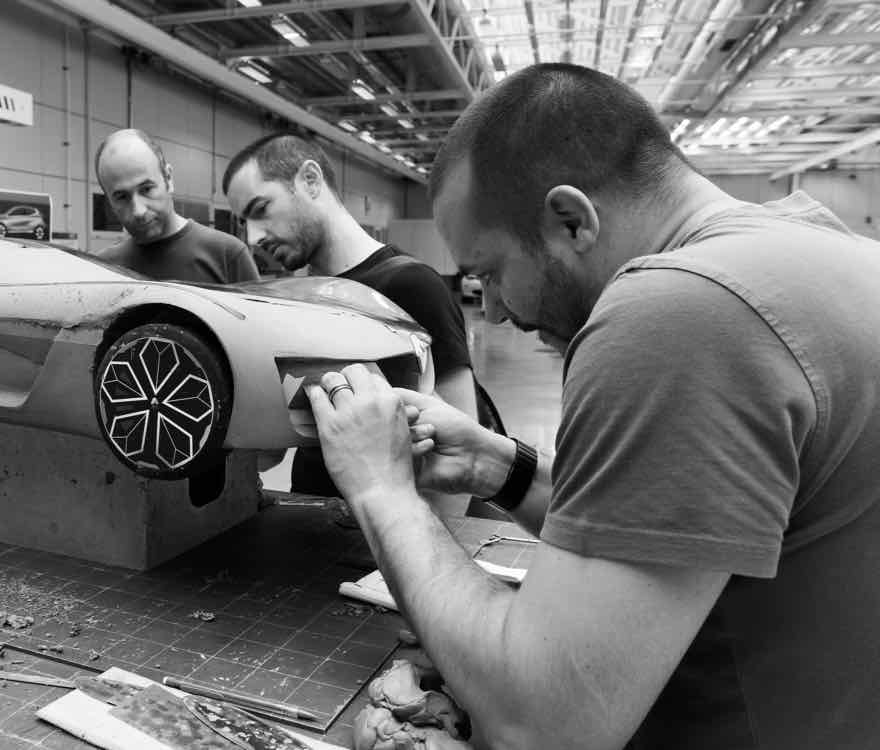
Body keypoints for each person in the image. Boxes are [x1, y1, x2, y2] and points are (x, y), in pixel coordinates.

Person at [305, 63, 880, 749]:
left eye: (491, 272)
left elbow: (541, 723)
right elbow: (676, 529)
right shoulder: (827, 251)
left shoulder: (680, 315)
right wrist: (501, 468)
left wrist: (380, 487)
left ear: (570, 220)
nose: (494, 310)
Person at [222, 133, 480, 501]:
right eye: (243, 222)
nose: (253, 237)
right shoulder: (298, 300)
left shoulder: (412, 286)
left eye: (261, 209)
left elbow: (461, 460)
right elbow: (273, 449)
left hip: (385, 526)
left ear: (310, 180)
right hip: (309, 514)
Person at [95, 128, 259, 284]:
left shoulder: (227, 256)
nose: (139, 211)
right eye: (122, 197)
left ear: (168, 178)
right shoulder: (103, 270)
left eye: (146, 189)